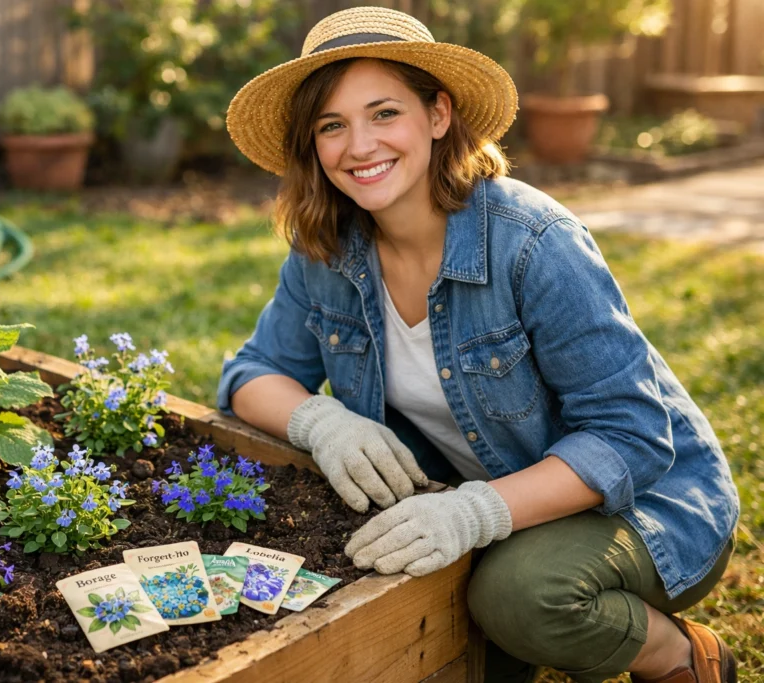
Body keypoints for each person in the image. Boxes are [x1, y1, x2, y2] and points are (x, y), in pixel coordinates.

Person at [216, 7, 740, 683]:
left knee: (515, 595)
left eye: (384, 113)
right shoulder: (328, 250)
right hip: (499, 509)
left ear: (438, 115)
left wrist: (476, 510)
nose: (359, 145)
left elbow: (633, 437)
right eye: (331, 125)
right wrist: (320, 421)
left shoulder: (532, 243)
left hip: (650, 506)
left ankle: (681, 655)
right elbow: (251, 373)